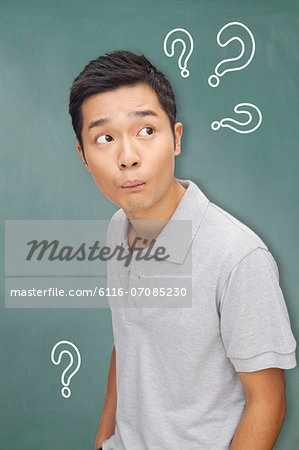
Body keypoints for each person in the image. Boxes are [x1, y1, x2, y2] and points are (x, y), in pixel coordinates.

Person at [68, 50, 297, 450]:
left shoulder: (237, 256)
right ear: (84, 157)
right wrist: (103, 441)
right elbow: (129, 342)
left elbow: (268, 402)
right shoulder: (116, 229)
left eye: (146, 131)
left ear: (175, 139)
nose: (128, 157)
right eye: (104, 138)